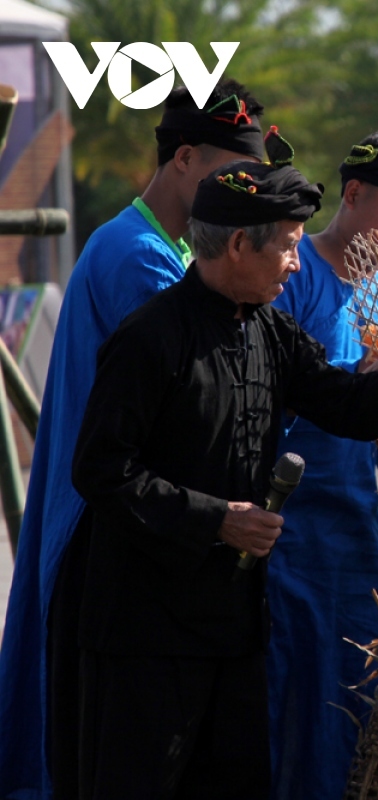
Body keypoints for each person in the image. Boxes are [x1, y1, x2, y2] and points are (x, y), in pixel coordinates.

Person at [56, 151, 378, 798]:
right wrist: (217, 519)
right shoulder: (150, 339)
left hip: (233, 622)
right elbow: (101, 470)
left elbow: (345, 403)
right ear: (239, 244)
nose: (297, 265)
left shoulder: (269, 329)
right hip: (145, 627)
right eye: (288, 249)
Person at [0, 79, 268, 800]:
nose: (245, 191)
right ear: (184, 158)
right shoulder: (142, 258)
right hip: (108, 528)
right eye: (232, 173)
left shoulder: (155, 245)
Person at [267, 129, 378, 799]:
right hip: (285, 539)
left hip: (355, 545)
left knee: (359, 705)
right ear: (355, 194)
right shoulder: (290, 274)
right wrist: (363, 376)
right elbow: (264, 398)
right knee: (284, 706)